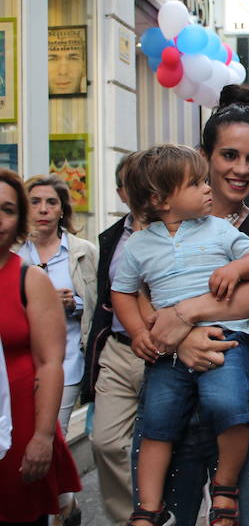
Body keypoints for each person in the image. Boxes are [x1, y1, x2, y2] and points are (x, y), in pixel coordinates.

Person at [130, 85, 249, 526]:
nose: (242, 169)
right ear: (205, 155)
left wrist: (182, 317)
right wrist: (178, 344)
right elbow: (131, 292)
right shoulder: (153, 228)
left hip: (248, 389)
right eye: (229, 155)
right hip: (170, 388)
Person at [112, 144, 249, 526]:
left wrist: (236, 270)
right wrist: (137, 332)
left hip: (224, 339)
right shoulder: (137, 245)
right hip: (167, 352)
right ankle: (147, 508)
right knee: (156, 424)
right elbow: (122, 291)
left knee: (229, 406)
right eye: (195, 183)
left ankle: (225, 488)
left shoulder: (218, 228)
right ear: (160, 200)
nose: (206, 189)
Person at [0, 168, 82, 525]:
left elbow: (51, 362)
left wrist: (44, 437)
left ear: (19, 219)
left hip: (18, 425)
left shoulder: (29, 279)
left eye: (7, 209)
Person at [17, 174, 96, 525]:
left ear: (63, 209)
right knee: (27, 441)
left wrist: (74, 302)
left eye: (51, 202)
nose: (44, 210)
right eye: (35, 202)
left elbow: (97, 304)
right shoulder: (14, 253)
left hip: (66, 362)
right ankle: (66, 502)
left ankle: (51, 511)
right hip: (19, 364)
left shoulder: (83, 252)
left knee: (52, 436)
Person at [81, 154, 147, 523]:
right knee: (105, 441)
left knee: (176, 445)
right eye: (130, 184)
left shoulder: (179, 229)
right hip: (118, 350)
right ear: (122, 192)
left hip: (166, 352)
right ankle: (131, 517)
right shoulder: (109, 238)